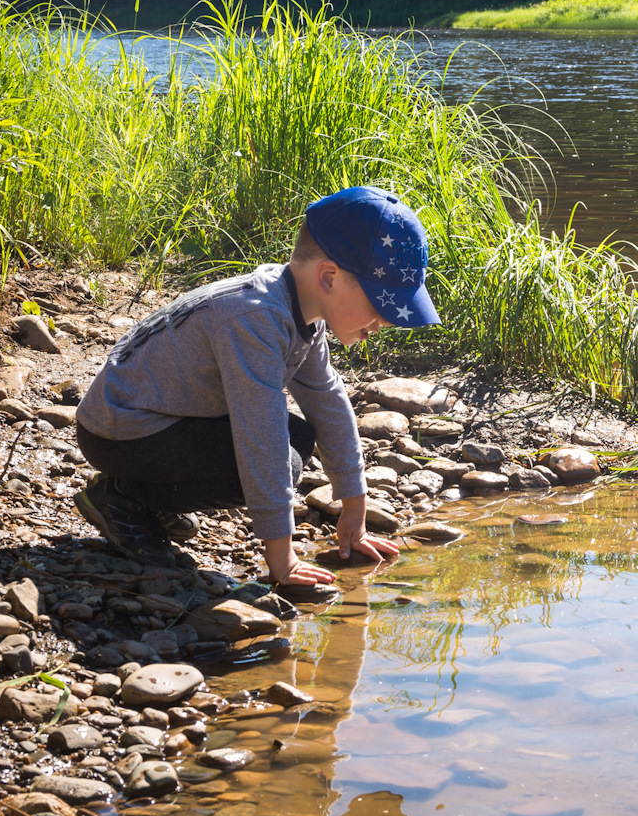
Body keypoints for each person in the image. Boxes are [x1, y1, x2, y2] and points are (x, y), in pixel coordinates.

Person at [72, 185, 441, 585]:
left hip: (164, 418)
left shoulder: (299, 308)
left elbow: (327, 399)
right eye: (380, 305)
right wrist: (281, 558)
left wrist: (355, 503)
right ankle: (123, 496)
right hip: (120, 430)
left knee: (297, 435)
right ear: (329, 277)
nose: (383, 322)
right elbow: (258, 431)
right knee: (283, 453)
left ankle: (143, 492)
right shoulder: (254, 321)